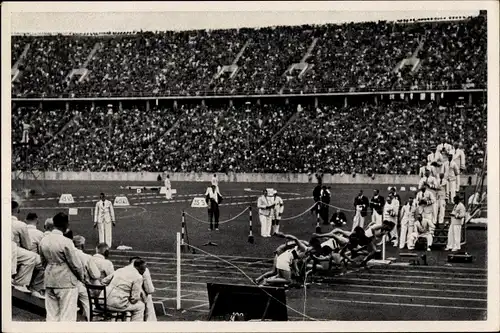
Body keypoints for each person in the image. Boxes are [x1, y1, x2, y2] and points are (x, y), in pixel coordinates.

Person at [39, 212, 85, 321]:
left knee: (51, 316)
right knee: (67, 316)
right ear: (66, 225)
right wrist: (81, 277)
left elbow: (43, 262)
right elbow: (75, 264)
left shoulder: (44, 240)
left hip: (50, 280)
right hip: (66, 282)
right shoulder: (66, 242)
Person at [11, 201, 37, 294]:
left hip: (13, 251)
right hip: (12, 251)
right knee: (32, 257)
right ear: (16, 210)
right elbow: (28, 246)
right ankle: (21, 283)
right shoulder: (20, 225)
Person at [73, 236, 101, 321]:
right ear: (82, 245)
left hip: (69, 283)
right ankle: (90, 319)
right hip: (82, 285)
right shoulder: (86, 256)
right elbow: (96, 275)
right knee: (87, 303)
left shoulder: (69, 254)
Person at [129, 257, 157, 321]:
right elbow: (149, 289)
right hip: (139, 298)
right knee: (147, 300)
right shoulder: (144, 270)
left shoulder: (124, 270)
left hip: (125, 297)